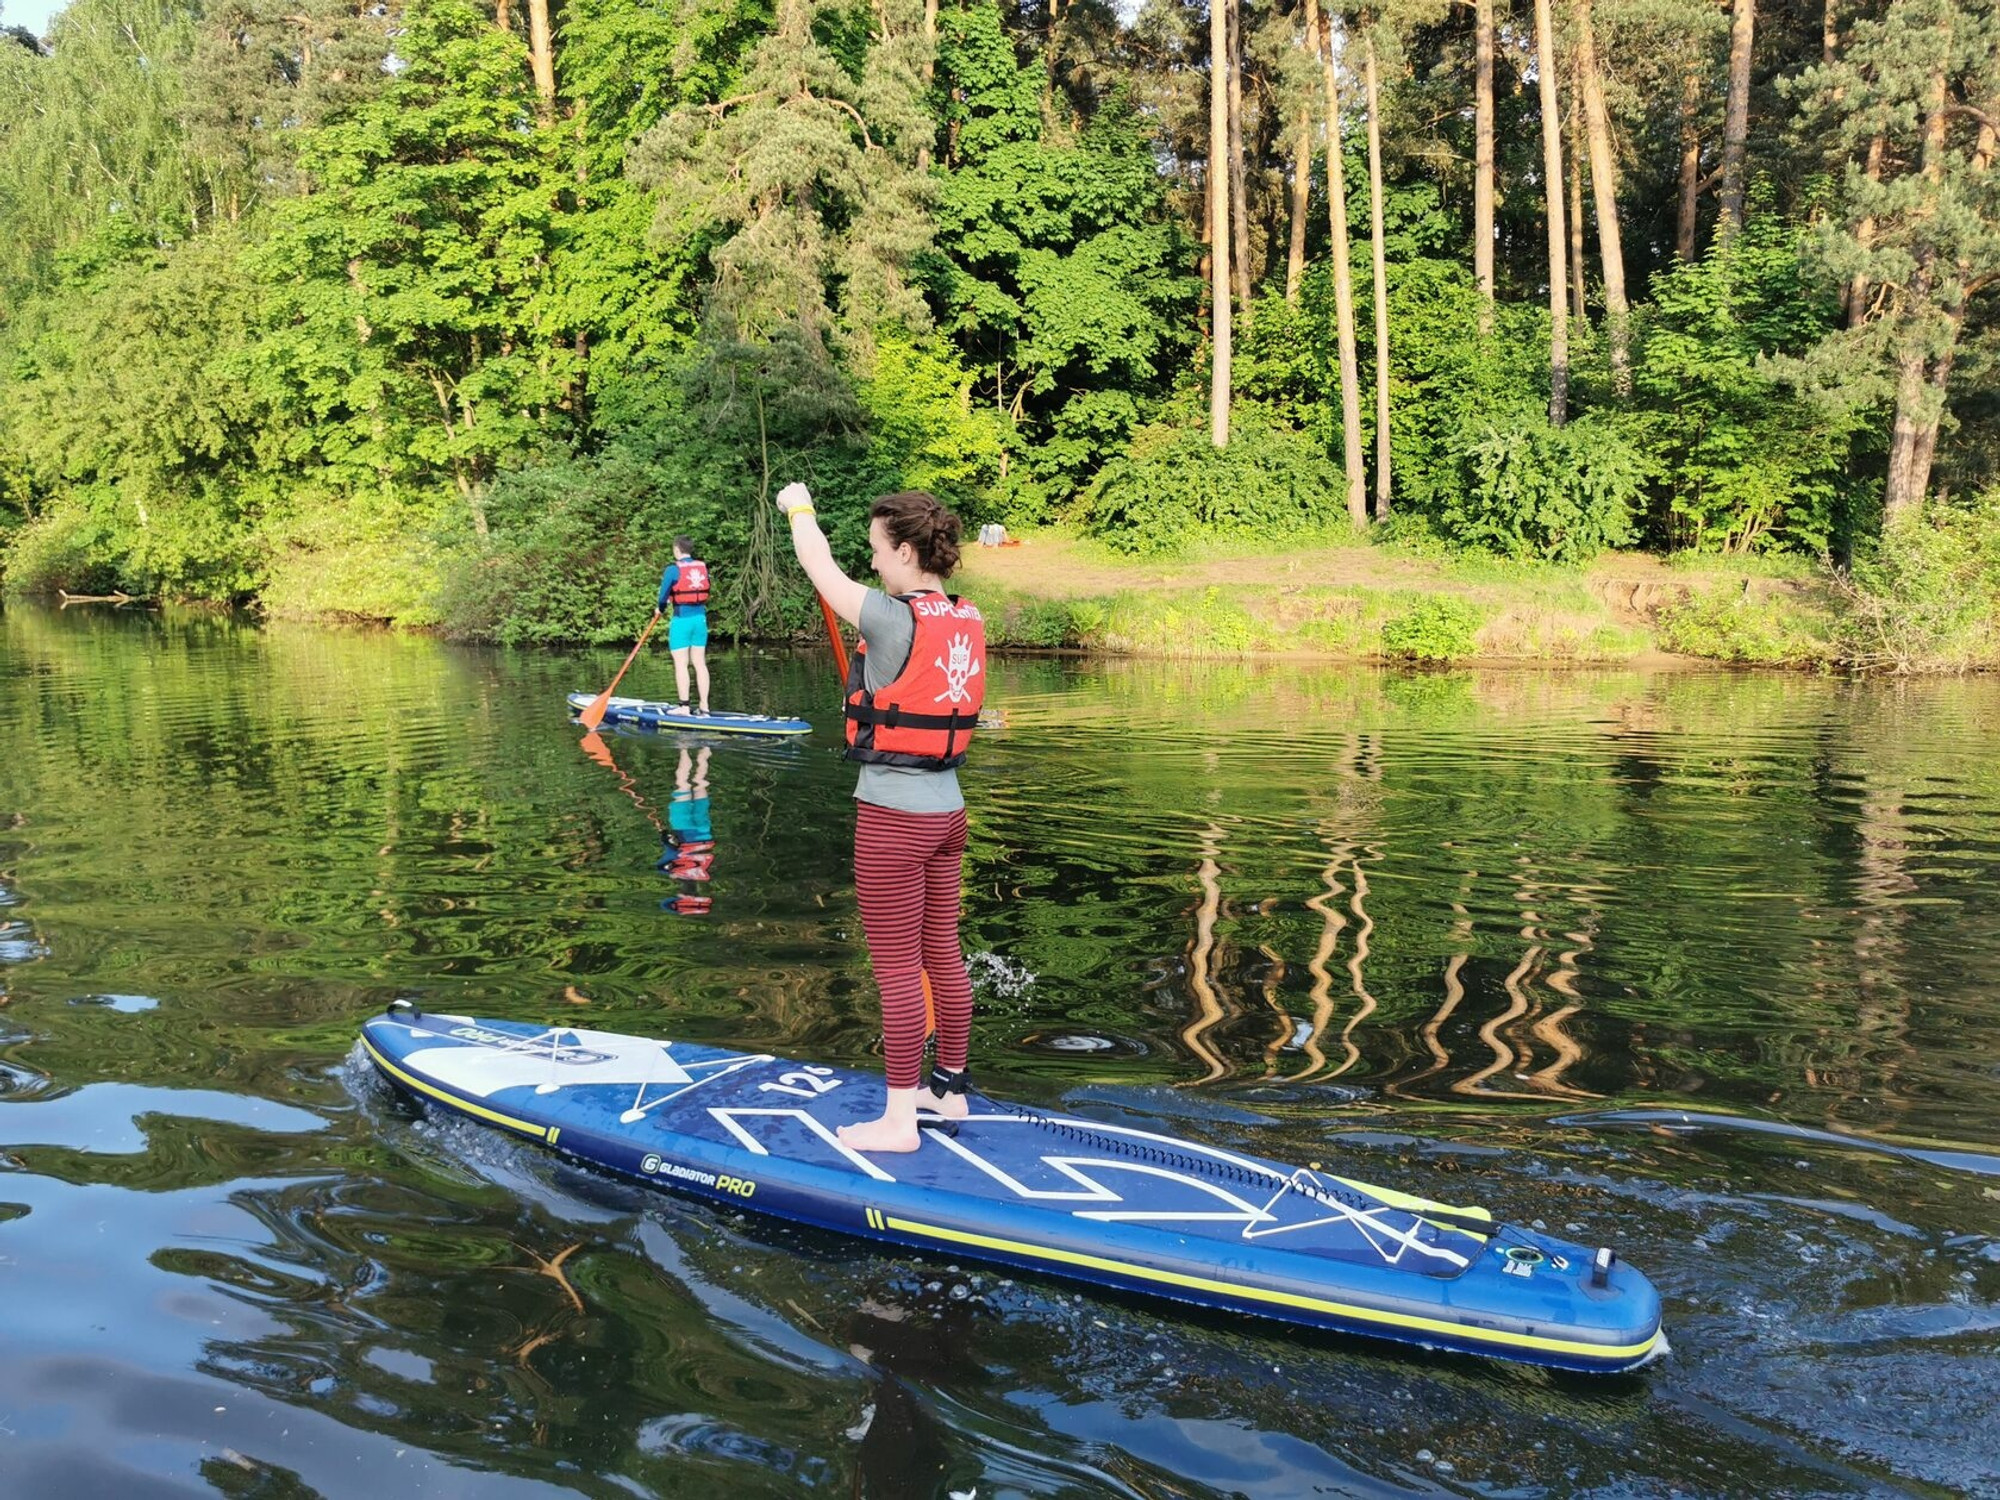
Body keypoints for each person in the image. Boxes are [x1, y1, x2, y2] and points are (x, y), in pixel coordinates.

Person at [776, 482, 986, 1153]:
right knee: (942, 954)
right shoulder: (966, 617)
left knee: (897, 971)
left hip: (894, 821)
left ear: (903, 550)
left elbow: (818, 566)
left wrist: (799, 507)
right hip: (948, 814)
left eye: (875, 551)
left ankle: (899, 1123)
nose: (870, 563)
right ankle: (947, 1092)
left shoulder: (893, 620)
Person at [655, 536, 712, 716]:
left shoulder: (673, 569)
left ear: (677, 550)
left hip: (682, 620)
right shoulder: (702, 567)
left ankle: (684, 707)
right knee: (700, 663)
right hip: (700, 620)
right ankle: (704, 706)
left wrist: (660, 608)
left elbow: (663, 594)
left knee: (681, 664)